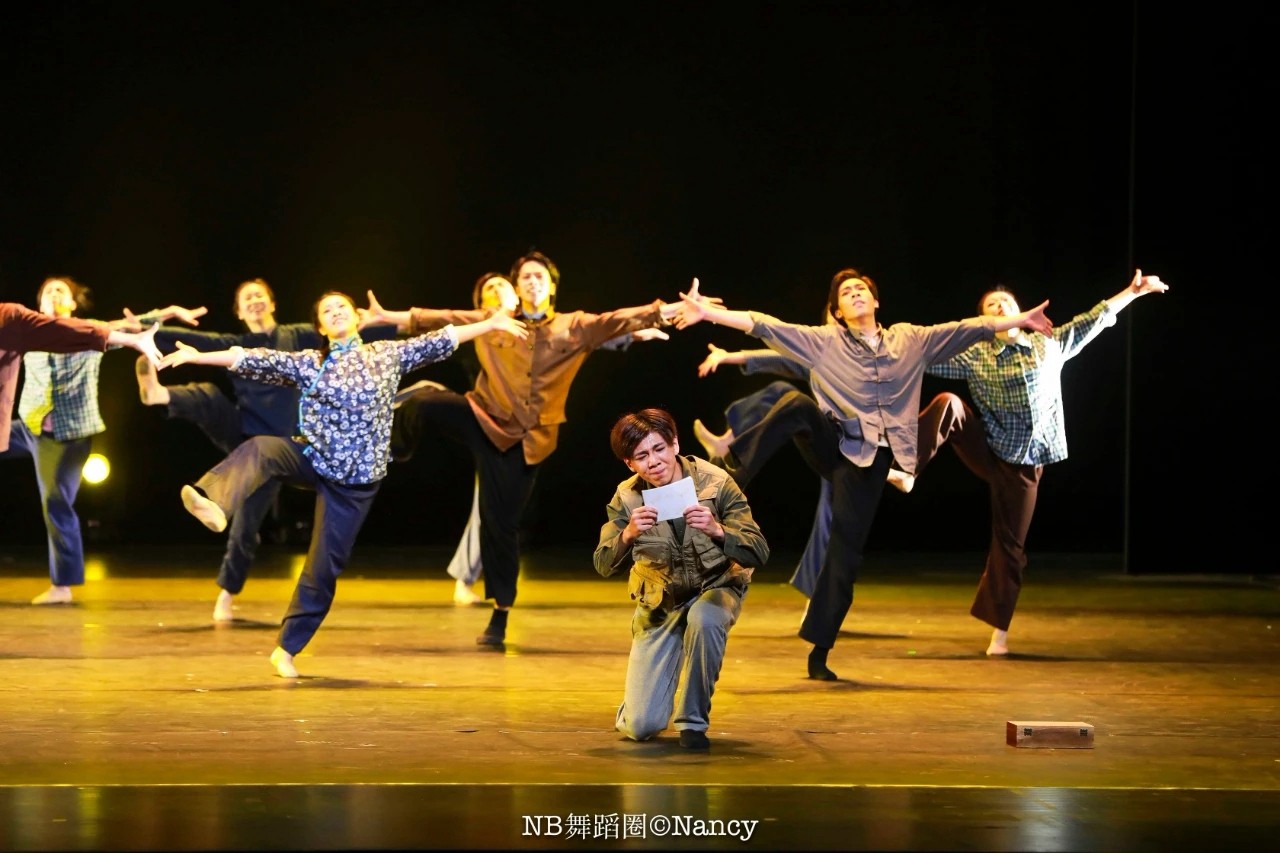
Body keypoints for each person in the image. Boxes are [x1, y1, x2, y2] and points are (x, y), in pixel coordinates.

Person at [676, 268, 1053, 681]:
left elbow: (967, 328)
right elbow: (764, 324)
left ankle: (819, 651)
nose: (855, 294)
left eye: (861, 289)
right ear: (837, 311)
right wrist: (707, 314)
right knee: (795, 404)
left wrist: (1021, 319)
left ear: (875, 302)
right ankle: (729, 478)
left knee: (845, 554)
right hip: (832, 442)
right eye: (846, 292)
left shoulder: (910, 340)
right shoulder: (825, 341)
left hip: (870, 463)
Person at [160, 291, 527, 678]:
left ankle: (286, 649)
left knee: (322, 568)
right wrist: (199, 357)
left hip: (354, 482)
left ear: (356, 318)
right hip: (311, 457)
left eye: (341, 308)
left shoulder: (387, 355)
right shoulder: (310, 362)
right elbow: (251, 359)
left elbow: (442, 340)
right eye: (327, 311)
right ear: (320, 327)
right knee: (262, 448)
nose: (335, 313)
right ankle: (216, 503)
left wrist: (490, 323)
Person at [367, 250, 682, 648]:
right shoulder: (494, 319)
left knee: (500, 524)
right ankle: (394, 450)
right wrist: (387, 318)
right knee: (424, 403)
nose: (533, 282)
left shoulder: (573, 326)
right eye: (526, 277)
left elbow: (616, 319)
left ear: (551, 287)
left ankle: (500, 615)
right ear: (516, 287)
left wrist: (662, 313)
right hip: (483, 416)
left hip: (527, 442)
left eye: (539, 277)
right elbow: (441, 318)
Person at [913, 269, 1169, 656]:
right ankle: (907, 468)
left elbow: (1095, 319)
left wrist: (1133, 293)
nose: (1000, 306)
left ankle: (999, 631)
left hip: (1024, 463)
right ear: (984, 319)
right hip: (988, 447)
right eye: (991, 306)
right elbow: (921, 354)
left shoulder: (1049, 344)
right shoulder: (974, 355)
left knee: (1010, 546)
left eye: (1007, 302)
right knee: (948, 403)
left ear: (1022, 311)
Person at [129, 278, 396, 621]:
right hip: (240, 433)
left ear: (272, 304)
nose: (254, 300)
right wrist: (148, 323)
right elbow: (182, 338)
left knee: (244, 527)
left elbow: (354, 329)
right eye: (247, 299)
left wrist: (389, 321)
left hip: (279, 449)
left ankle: (226, 594)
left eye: (260, 295)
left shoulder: (297, 336)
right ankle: (160, 395)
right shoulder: (235, 343)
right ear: (239, 312)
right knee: (208, 395)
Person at [436, 271, 672, 606]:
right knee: (487, 507)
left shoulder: (531, 330)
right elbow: (442, 327)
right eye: (490, 289)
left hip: (523, 438)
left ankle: (474, 577)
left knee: (500, 510)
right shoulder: (481, 327)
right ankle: (466, 578)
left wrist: (629, 334)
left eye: (502, 286)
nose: (498, 291)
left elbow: (578, 341)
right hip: (487, 429)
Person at [593, 407, 768, 749]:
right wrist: (628, 534)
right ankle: (641, 702)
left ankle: (692, 723)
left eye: (659, 449)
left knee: (705, 618)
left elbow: (759, 550)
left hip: (716, 585)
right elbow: (603, 563)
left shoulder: (716, 482)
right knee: (640, 727)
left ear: (674, 444)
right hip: (661, 601)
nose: (653, 461)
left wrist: (718, 530)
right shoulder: (627, 497)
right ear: (630, 463)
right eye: (641, 456)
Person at [1, 278, 164, 605]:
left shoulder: (87, 331)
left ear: (73, 304)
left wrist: (167, 313)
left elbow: (126, 328)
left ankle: (63, 585)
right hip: (28, 426)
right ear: (39, 304)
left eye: (61, 290)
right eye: (48, 291)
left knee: (55, 500)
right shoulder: (30, 332)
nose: (54, 293)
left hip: (66, 436)